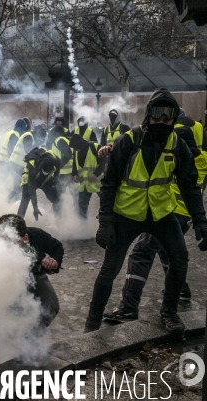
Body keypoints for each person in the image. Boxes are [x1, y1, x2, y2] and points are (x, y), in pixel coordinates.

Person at [86, 88, 207, 334]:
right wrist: (105, 222)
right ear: (148, 115)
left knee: (180, 259)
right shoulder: (129, 141)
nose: (162, 120)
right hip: (126, 215)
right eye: (157, 114)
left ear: (174, 118)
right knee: (110, 269)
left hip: (162, 214)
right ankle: (92, 323)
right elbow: (108, 184)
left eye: (168, 115)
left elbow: (190, 186)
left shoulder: (178, 146)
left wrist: (201, 220)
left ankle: (169, 312)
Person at [103, 124, 207, 322]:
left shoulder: (174, 155)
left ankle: (129, 308)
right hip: (183, 216)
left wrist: (113, 147)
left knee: (141, 253)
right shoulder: (202, 159)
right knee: (170, 254)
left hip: (167, 212)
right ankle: (182, 289)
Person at [0, 214, 63, 332]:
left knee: (51, 306)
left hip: (35, 274)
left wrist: (54, 262)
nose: (6, 246)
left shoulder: (38, 235)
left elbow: (57, 247)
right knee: (10, 311)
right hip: (9, 279)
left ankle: (33, 337)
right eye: (3, 241)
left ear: (25, 237)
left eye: (12, 242)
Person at [17, 147, 61, 220]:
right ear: (41, 167)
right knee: (25, 200)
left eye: (47, 171)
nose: (45, 173)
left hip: (45, 180)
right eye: (44, 171)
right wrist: (35, 208)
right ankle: (18, 222)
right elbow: (32, 189)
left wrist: (56, 176)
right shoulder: (33, 165)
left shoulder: (55, 159)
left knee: (56, 199)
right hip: (30, 179)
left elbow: (58, 165)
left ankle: (58, 220)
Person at [70, 134, 106, 219]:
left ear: (79, 144)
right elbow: (74, 165)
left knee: (106, 204)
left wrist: (96, 174)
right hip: (84, 185)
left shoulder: (95, 147)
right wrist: (74, 174)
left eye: (75, 147)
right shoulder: (76, 151)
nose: (74, 150)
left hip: (98, 184)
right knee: (82, 208)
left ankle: (105, 223)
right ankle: (83, 226)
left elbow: (104, 161)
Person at [7, 120, 35, 201]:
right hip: (17, 164)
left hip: (15, 163)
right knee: (19, 185)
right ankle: (9, 201)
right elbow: (27, 150)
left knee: (18, 185)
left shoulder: (22, 135)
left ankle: (14, 201)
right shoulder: (25, 135)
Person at [0, 119, 26, 188]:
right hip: (8, 161)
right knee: (17, 179)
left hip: (2, 159)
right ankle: (17, 196)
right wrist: (12, 161)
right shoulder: (15, 135)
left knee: (3, 178)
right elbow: (10, 148)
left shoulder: (9, 132)